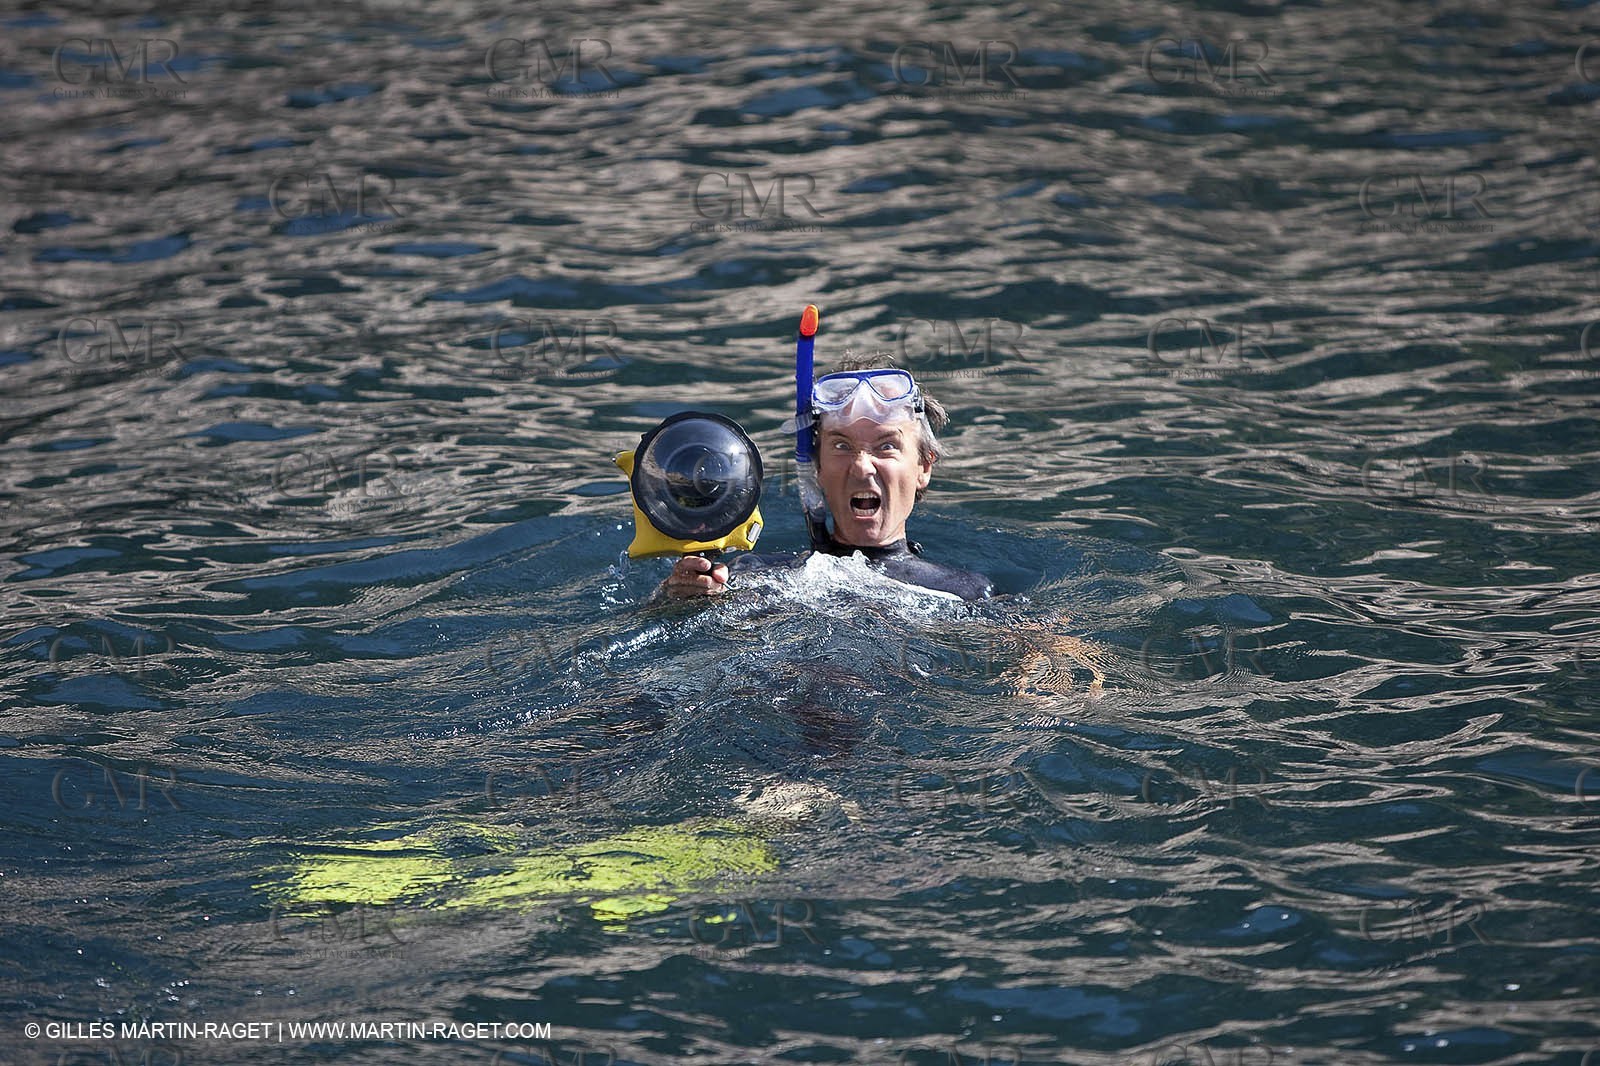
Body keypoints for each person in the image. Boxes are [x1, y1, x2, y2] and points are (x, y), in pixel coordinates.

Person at [658, 355, 993, 601]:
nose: (862, 467)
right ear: (816, 468)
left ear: (923, 467)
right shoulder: (746, 576)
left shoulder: (964, 592)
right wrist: (676, 598)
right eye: (842, 445)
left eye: (886, 446)